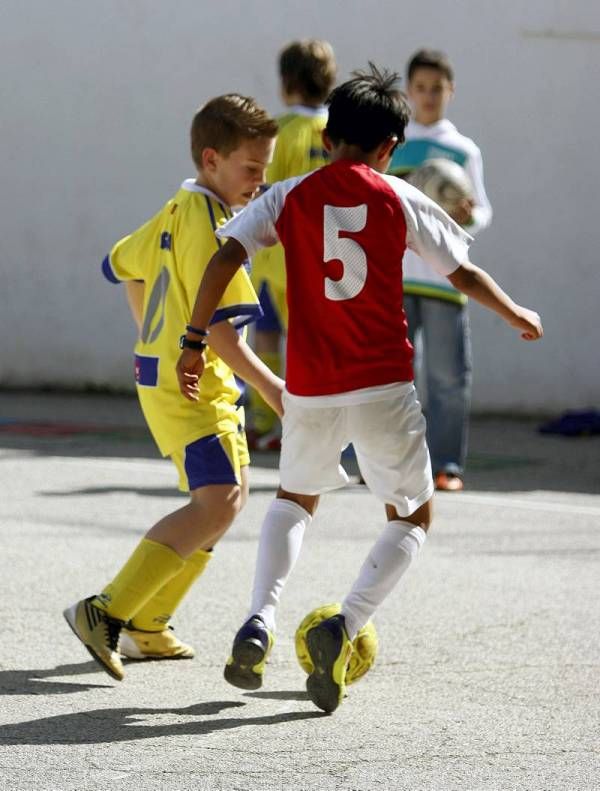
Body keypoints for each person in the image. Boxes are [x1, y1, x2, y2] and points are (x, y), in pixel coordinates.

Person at [176, 65, 542, 713]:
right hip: (382, 385)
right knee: (413, 514)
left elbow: (226, 254)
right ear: (389, 148)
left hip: (311, 387)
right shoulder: (398, 196)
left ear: (327, 137)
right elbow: (462, 271)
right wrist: (515, 313)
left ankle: (258, 617)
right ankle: (341, 624)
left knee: (294, 497)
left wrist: (195, 339)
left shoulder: (287, 195)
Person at [63, 94, 282, 681]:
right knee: (217, 503)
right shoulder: (213, 229)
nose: (260, 182)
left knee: (222, 503)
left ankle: (148, 625)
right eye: (251, 170)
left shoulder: (180, 208)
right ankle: (106, 611)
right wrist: (276, 392)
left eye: (266, 171)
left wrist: (149, 338)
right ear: (212, 160)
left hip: (169, 378)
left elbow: (121, 265)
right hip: (194, 387)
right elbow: (225, 337)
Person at [388, 48, 493, 492]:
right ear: (407, 92)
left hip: (444, 280)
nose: (429, 96)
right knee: (391, 377)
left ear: (451, 92)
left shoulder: (463, 149)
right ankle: (387, 463)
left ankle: (446, 464)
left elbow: (482, 212)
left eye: (437, 88)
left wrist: (467, 215)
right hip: (394, 280)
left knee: (448, 378)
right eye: (420, 88)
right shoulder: (391, 145)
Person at [247, 39, 336, 449]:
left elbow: (262, 195)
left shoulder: (278, 133)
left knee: (266, 338)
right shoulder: (340, 133)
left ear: (286, 82)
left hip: (276, 259)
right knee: (313, 349)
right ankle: (312, 426)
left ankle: (265, 419)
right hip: (326, 261)